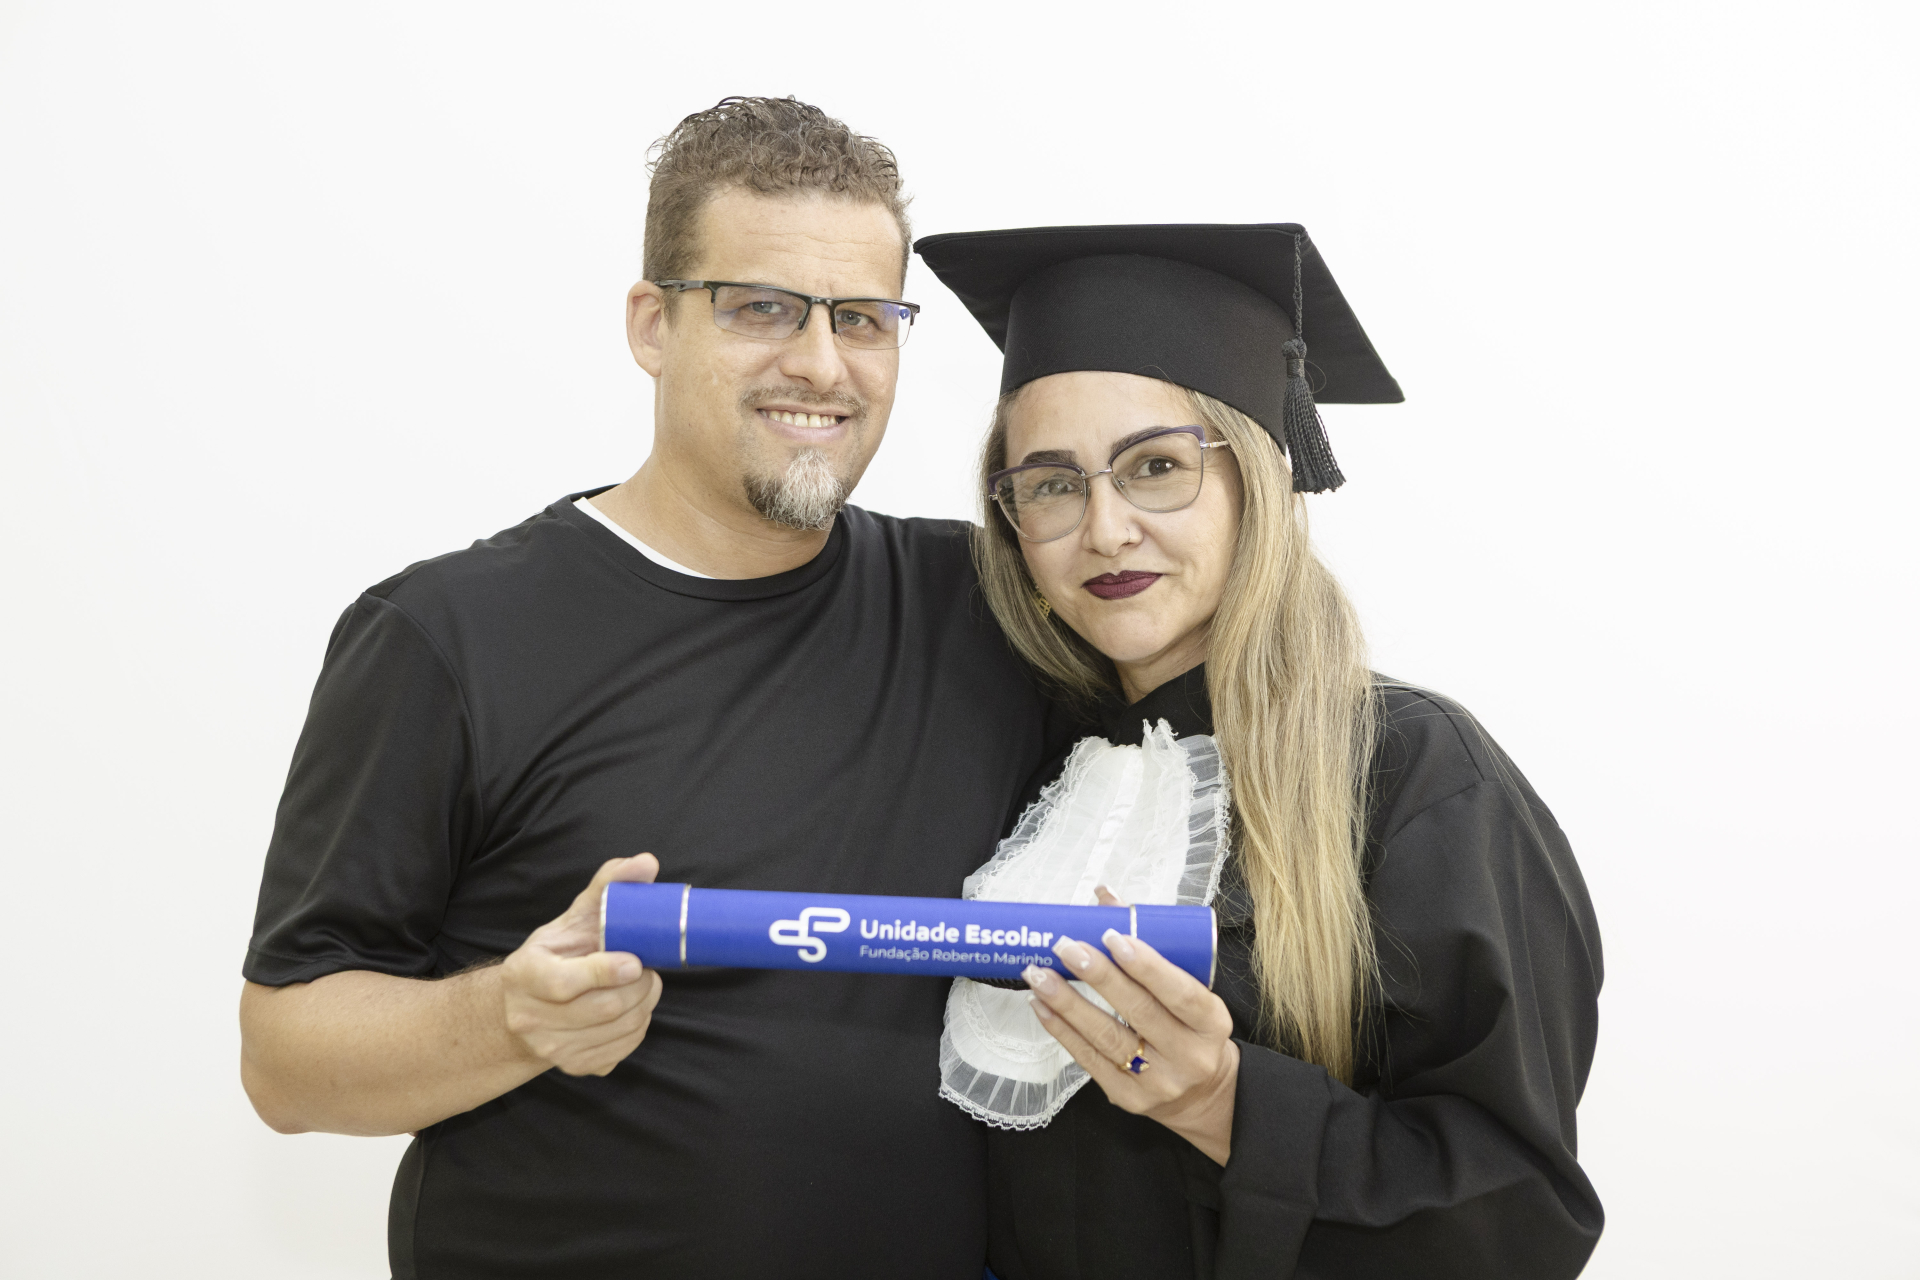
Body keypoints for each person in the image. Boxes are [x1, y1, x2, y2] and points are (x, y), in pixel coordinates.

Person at [238, 97, 1069, 1279]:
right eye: (763, 308)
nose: (821, 364)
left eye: (863, 318)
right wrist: (510, 1014)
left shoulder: (983, 606)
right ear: (653, 323)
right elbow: (282, 1060)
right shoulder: (449, 636)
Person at [916, 224, 1604, 1279]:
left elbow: (1518, 1220)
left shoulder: (1414, 774)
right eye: (1050, 484)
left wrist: (1223, 1101)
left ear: (1262, 478)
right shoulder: (1018, 766)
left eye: (1156, 467)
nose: (1103, 530)